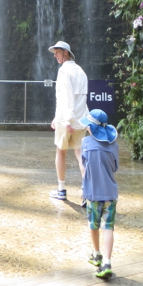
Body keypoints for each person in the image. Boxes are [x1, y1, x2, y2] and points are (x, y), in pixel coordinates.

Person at [79, 108, 119, 280]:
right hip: (110, 192)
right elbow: (115, 167)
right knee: (108, 227)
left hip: (92, 193)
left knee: (93, 224)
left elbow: (84, 163)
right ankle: (108, 263)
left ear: (91, 128)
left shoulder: (86, 143)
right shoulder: (114, 144)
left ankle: (96, 254)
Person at [48, 40, 88, 201]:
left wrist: (66, 120)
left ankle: (61, 189)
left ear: (65, 52)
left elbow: (66, 97)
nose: (55, 55)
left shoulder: (64, 71)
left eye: (57, 52)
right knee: (80, 155)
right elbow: (81, 98)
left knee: (61, 152)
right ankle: (87, 194)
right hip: (80, 119)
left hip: (68, 121)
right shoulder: (81, 71)